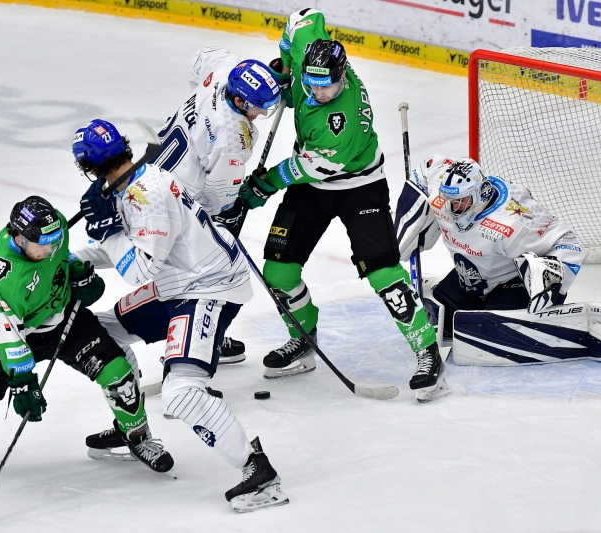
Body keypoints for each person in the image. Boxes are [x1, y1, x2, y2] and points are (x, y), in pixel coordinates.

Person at [71, 119, 288, 512]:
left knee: (180, 391)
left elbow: (139, 270)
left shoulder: (143, 193)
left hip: (209, 287)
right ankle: (132, 428)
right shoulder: (130, 184)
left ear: (87, 166)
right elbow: (134, 247)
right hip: (181, 278)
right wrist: (71, 260)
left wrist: (107, 234)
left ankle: (259, 473)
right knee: (99, 333)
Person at [235, 8, 444, 402]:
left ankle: (427, 352)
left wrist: (264, 185)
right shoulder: (310, 55)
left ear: (343, 76)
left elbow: (310, 166)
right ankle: (303, 338)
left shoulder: (342, 122)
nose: (316, 95)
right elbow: (305, 16)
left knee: (382, 271)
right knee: (277, 271)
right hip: (312, 185)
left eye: (325, 89)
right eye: (310, 86)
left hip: (357, 186)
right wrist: (284, 57)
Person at [0, 196, 174, 473]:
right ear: (19, 238)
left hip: (65, 320)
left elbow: (64, 257)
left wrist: (78, 276)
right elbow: (9, 336)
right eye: (42, 245)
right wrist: (24, 382)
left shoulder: (53, 229)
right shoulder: (4, 278)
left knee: (119, 375)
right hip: (7, 336)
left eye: (55, 240)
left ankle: (136, 437)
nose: (50, 249)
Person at [151, 48, 281, 364]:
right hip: (176, 208)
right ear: (238, 101)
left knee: (189, 273)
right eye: (257, 108)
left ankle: (197, 338)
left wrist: (272, 79)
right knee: (212, 275)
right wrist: (230, 211)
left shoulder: (225, 70)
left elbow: (200, 56)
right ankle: (190, 346)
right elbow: (220, 200)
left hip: (152, 179)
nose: (261, 114)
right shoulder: (232, 138)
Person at [394, 156, 583, 339]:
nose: (451, 208)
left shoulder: (515, 225)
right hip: (473, 278)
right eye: (450, 200)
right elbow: (428, 169)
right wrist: (410, 211)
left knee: (485, 330)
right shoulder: (448, 196)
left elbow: (567, 242)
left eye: (460, 201)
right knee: (442, 316)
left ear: (481, 193)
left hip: (510, 280)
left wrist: (551, 288)